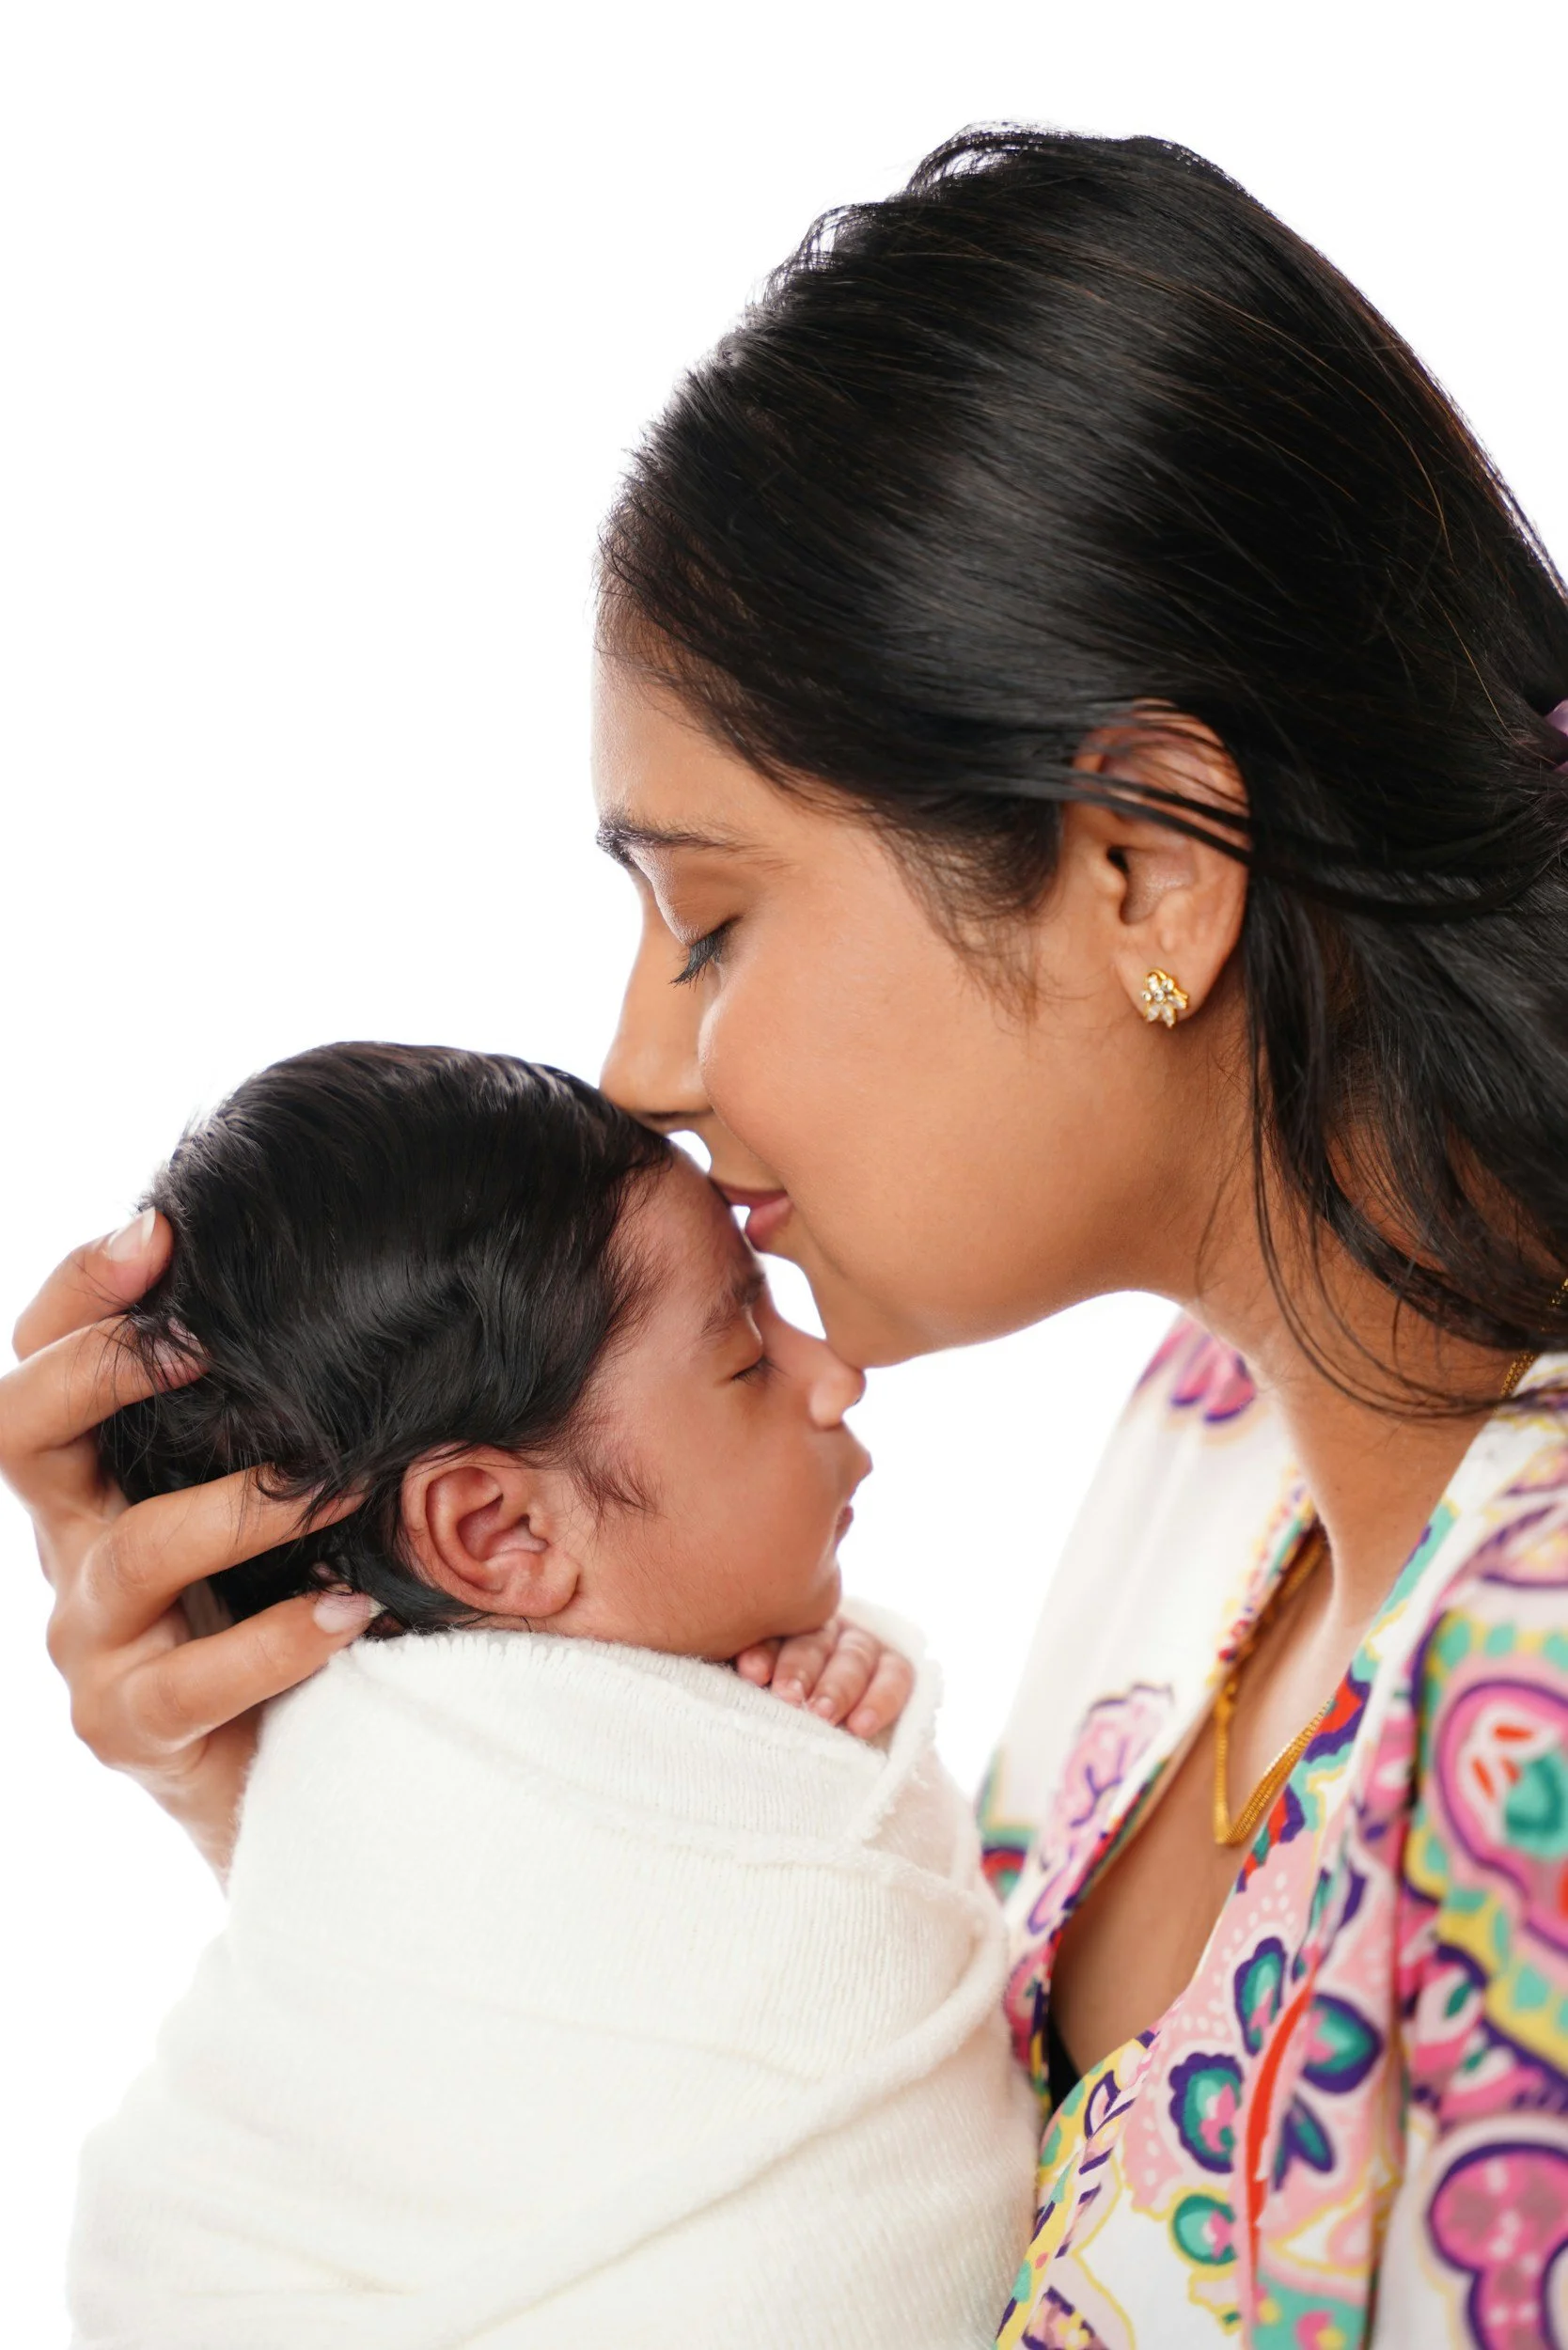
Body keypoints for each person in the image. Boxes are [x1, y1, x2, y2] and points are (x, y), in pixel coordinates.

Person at [8, 124, 1568, 2345]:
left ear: (1146, 867)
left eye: (711, 915)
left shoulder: (1533, 1665)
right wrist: (364, 1803)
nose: (641, 1058)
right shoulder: (1211, 1446)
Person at [67, 1042, 1035, 2348]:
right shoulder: (393, 1802)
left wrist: (815, 1720)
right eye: (746, 1355)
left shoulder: (676, 1712)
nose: (832, 1374)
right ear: (497, 1531)